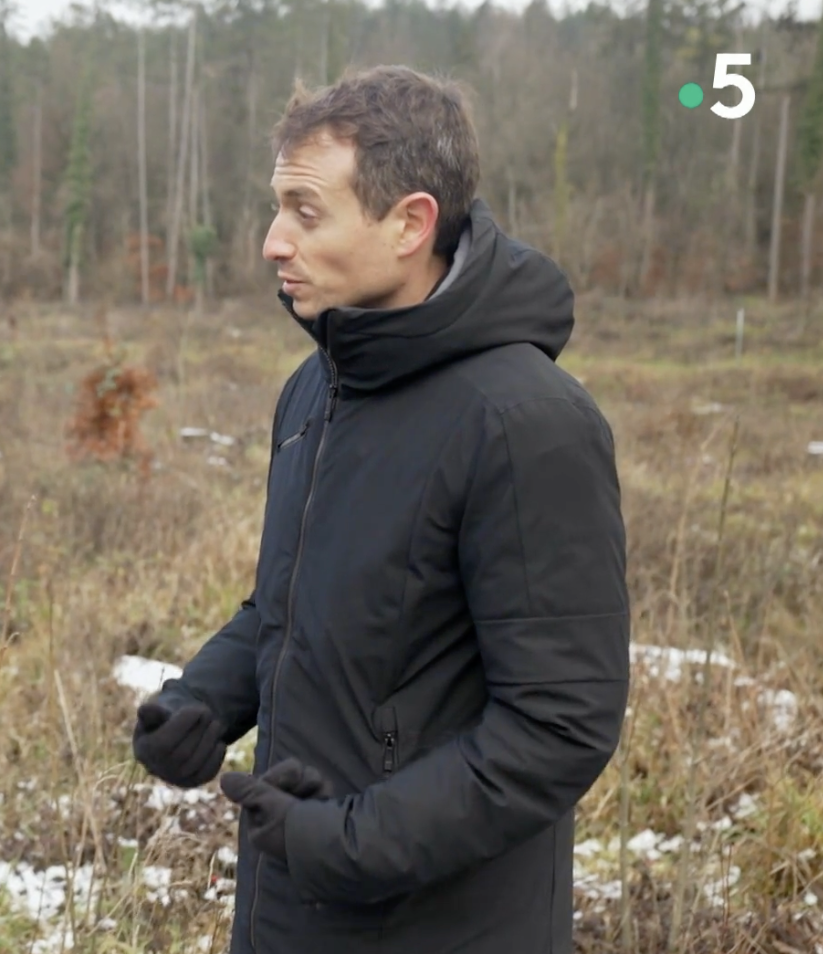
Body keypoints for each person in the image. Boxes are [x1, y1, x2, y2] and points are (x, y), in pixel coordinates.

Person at [131, 66, 629, 953]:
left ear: (410, 223)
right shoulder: (317, 389)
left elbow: (559, 724)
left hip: (441, 925)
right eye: (277, 207)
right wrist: (205, 698)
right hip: (293, 905)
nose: (272, 242)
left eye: (306, 211)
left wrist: (353, 843)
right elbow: (293, 606)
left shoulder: (526, 424)